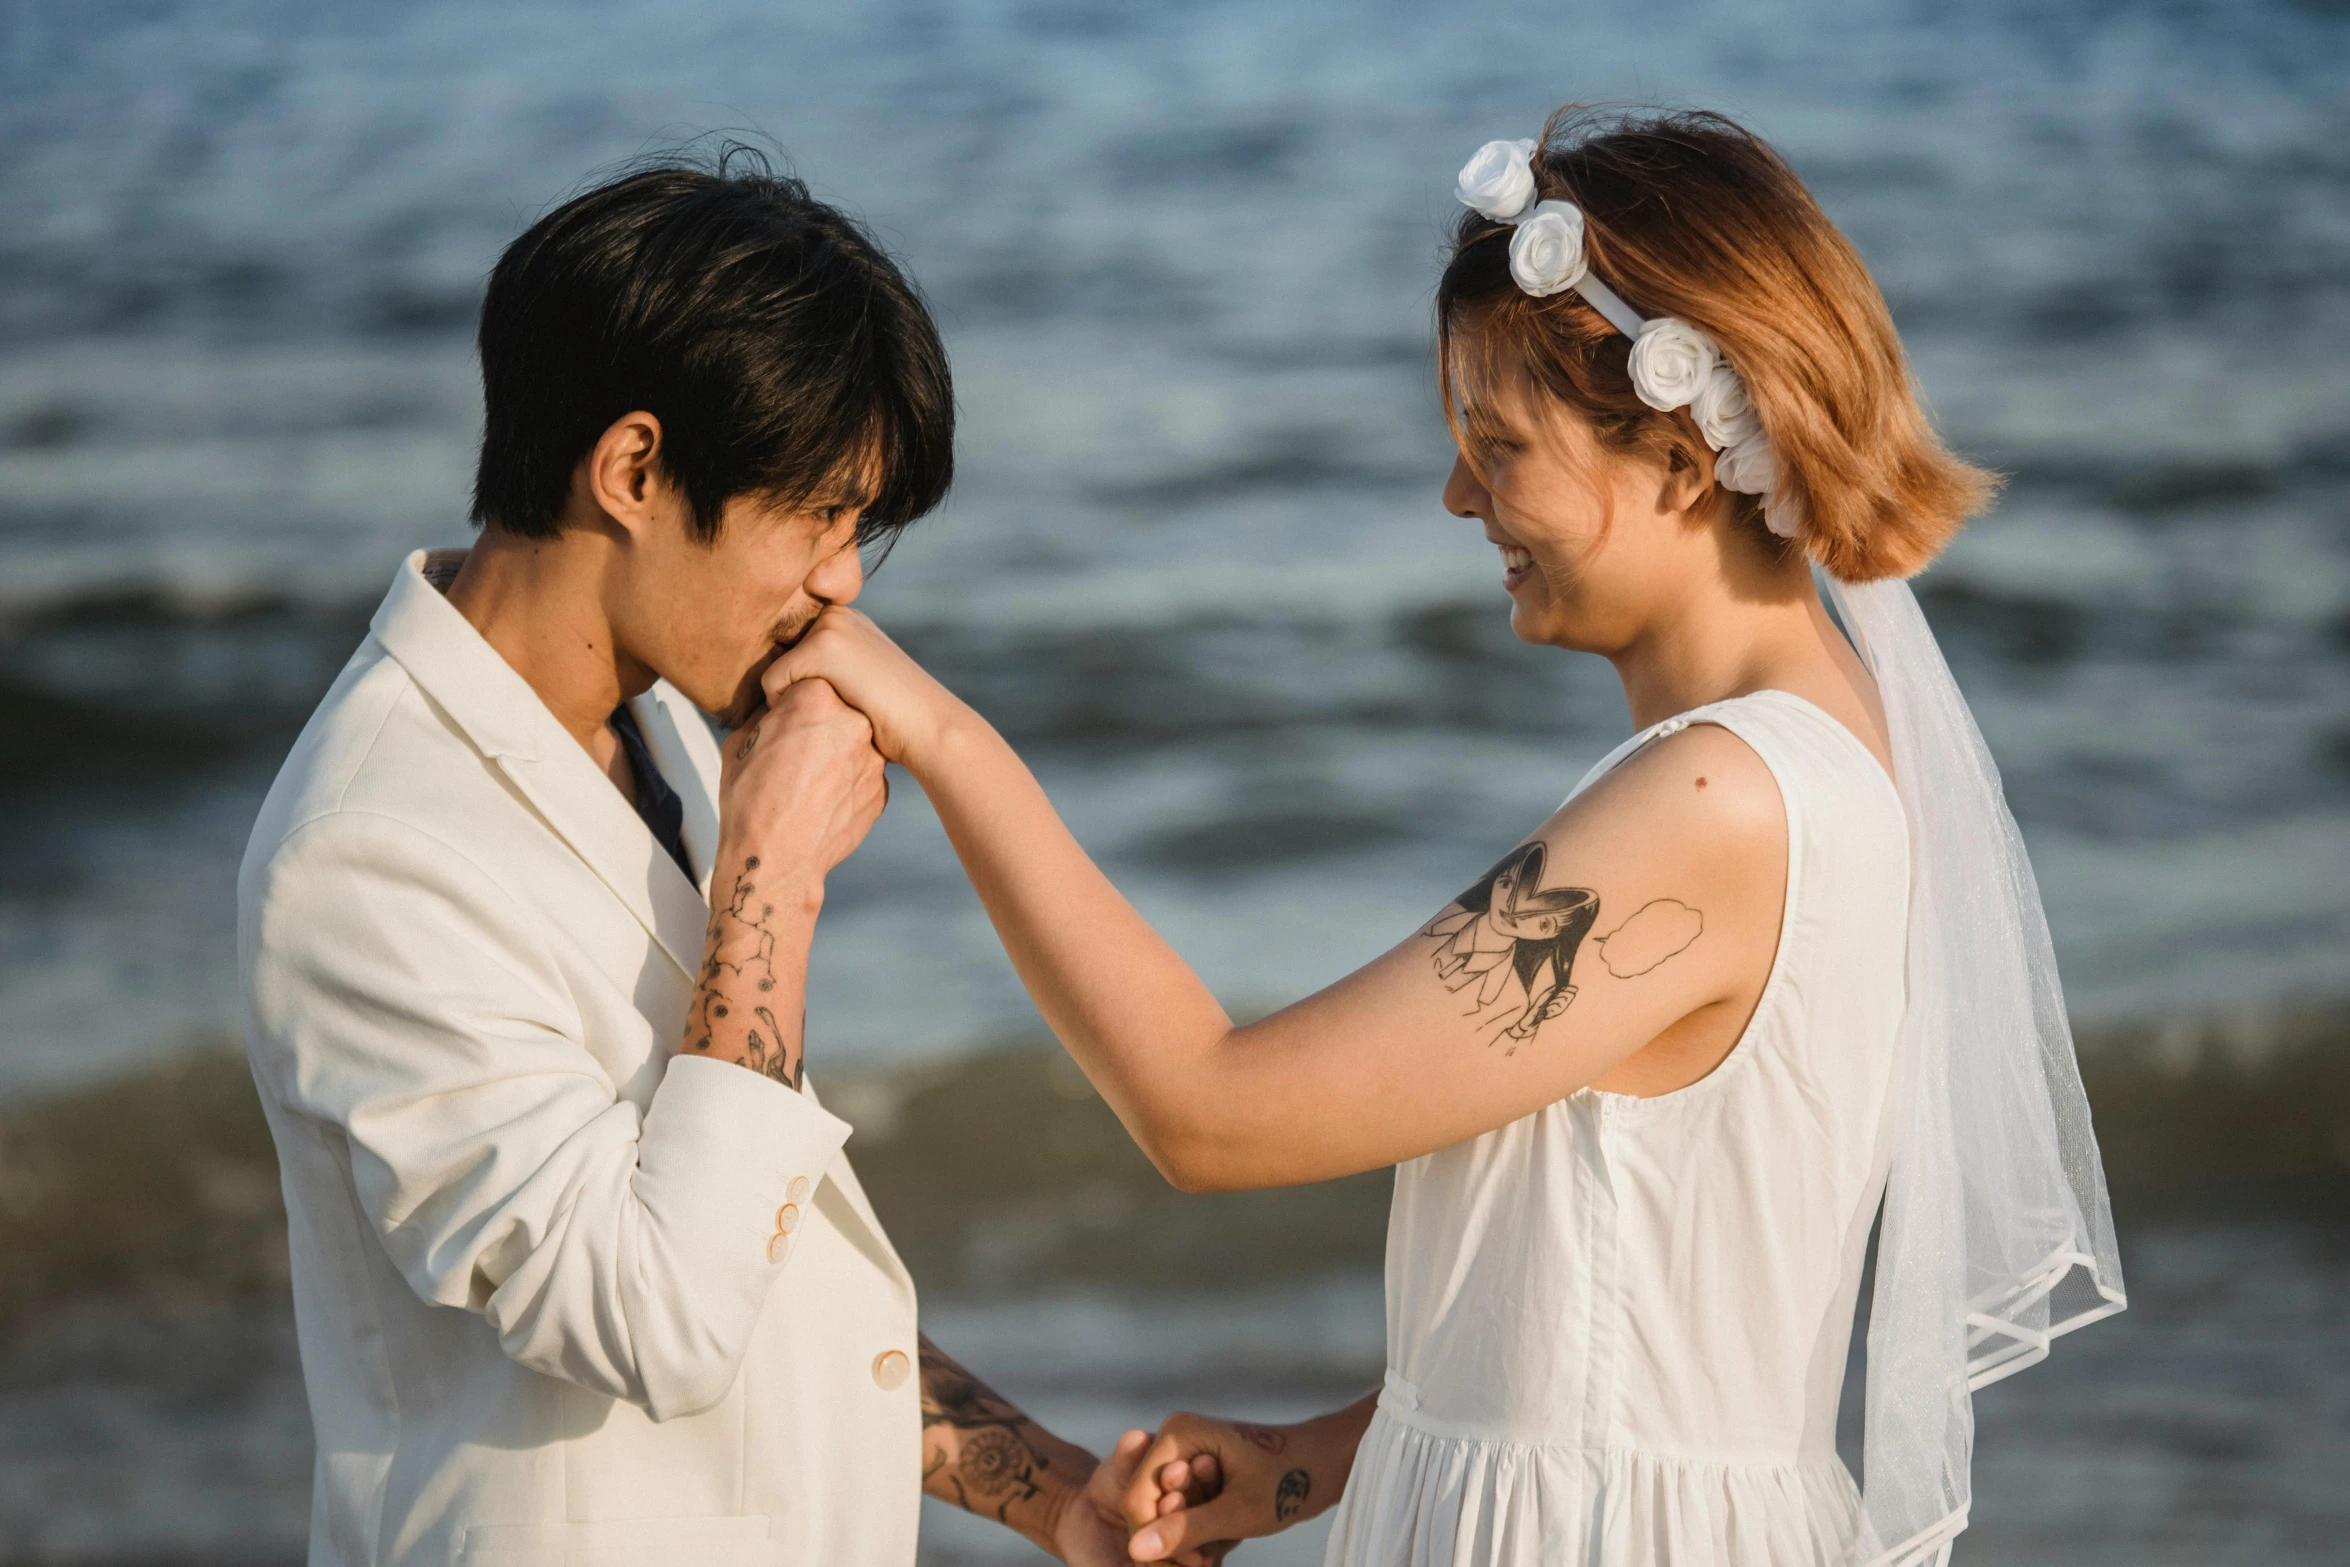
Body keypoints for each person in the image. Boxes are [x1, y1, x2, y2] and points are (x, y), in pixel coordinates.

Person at [769, 108, 2126, 1567]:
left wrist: (940, 734)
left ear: (1675, 458)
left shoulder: (1715, 804)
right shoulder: (1833, 750)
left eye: (1499, 446)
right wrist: (1308, 1462)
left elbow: (1207, 1112)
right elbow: (1644, 1301)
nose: (1458, 495)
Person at [237, 155, 1148, 1567]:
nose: (842, 577)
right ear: (635, 470)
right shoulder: (368, 854)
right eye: (820, 514)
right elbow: (654, 1315)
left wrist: (1048, 1492)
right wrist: (773, 873)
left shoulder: (658, 719)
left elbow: (744, 1228)